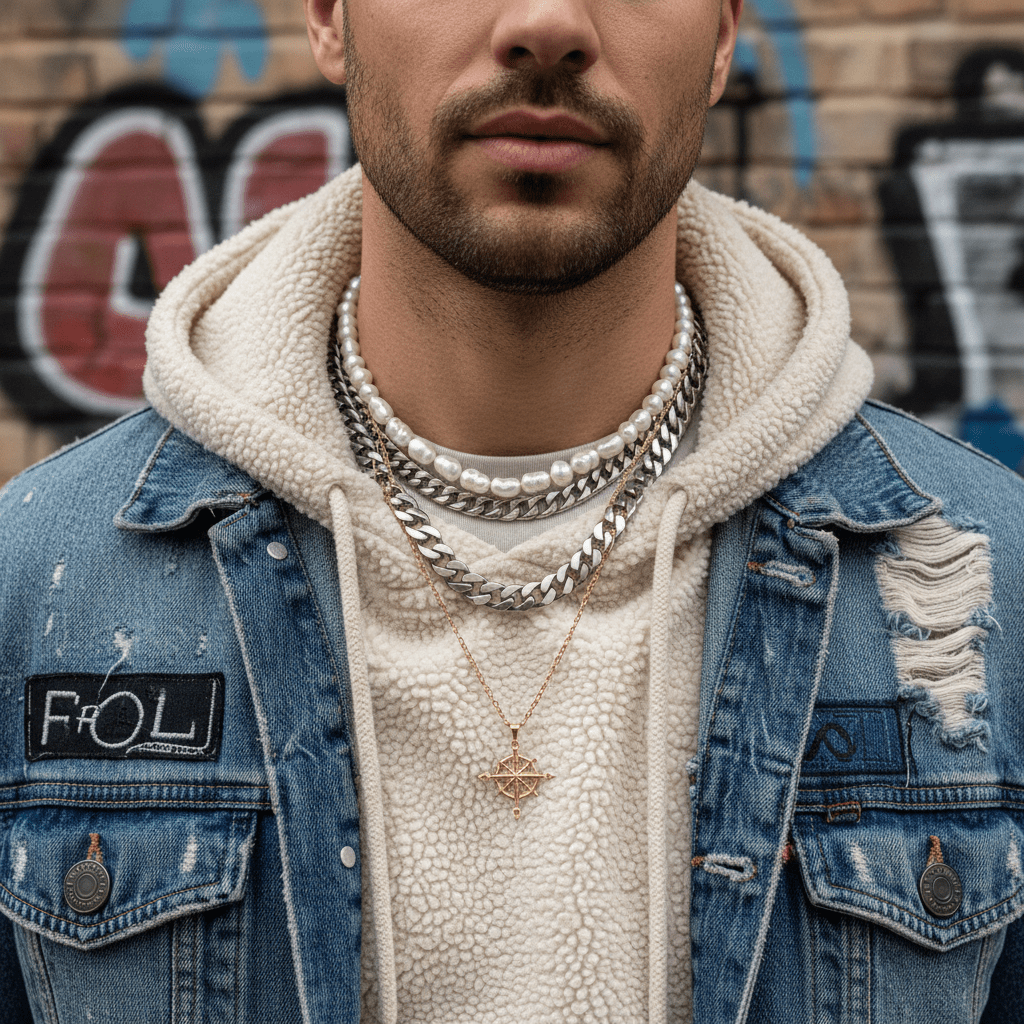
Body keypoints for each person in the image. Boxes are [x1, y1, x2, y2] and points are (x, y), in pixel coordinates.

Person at [2, 0, 1023, 1021]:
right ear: (328, 18)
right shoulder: (37, 585)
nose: (546, 22)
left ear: (721, 35)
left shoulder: (983, 590)